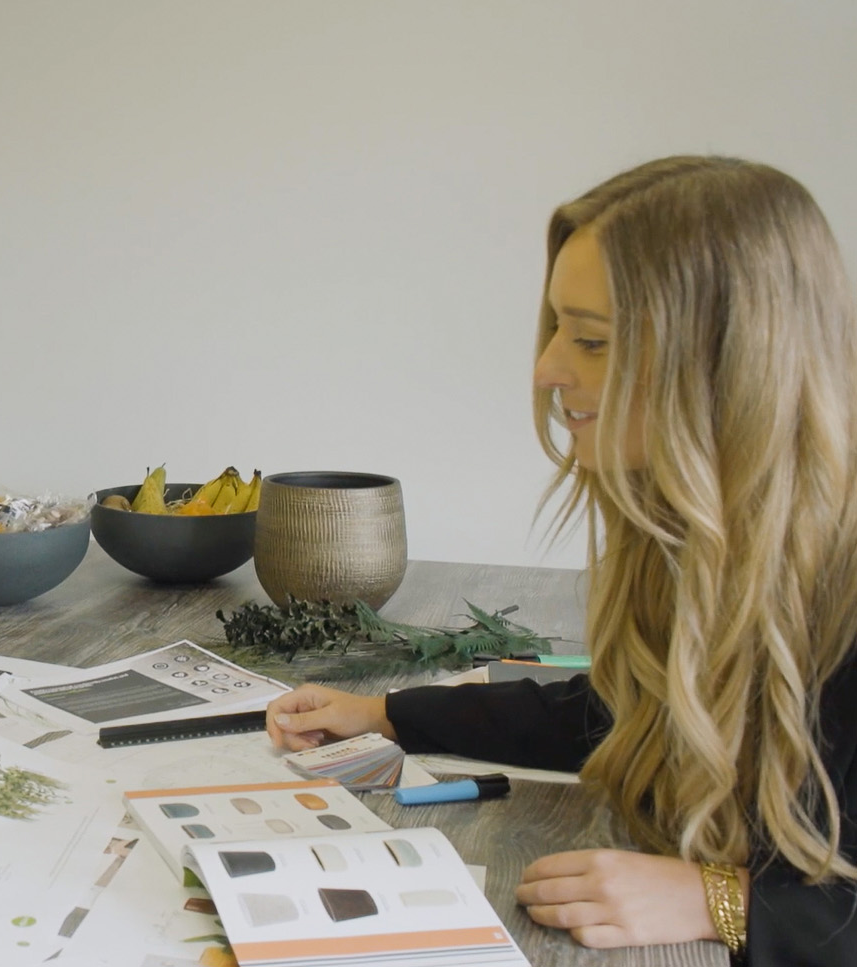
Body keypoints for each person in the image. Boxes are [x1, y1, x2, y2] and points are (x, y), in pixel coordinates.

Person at [266, 156, 857, 965]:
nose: (546, 369)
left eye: (590, 340)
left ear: (723, 361)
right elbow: (623, 712)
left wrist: (727, 900)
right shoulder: (688, 540)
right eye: (555, 329)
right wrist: (389, 714)